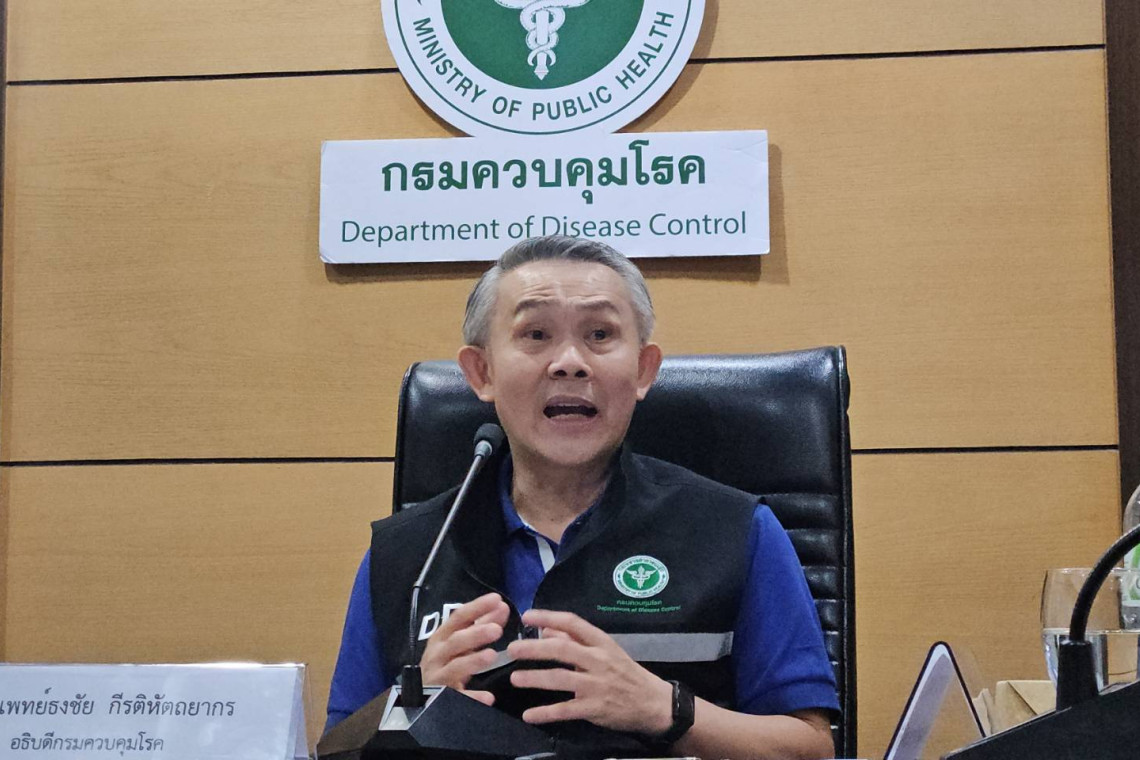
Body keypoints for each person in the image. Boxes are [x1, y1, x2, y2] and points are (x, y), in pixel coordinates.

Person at [326, 235, 839, 759]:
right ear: (482, 372)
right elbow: (337, 749)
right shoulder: (407, 557)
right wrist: (407, 710)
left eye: (599, 334)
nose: (569, 362)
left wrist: (666, 709)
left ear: (643, 370)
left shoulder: (736, 531)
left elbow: (813, 750)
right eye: (536, 334)